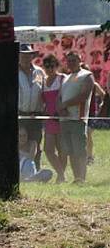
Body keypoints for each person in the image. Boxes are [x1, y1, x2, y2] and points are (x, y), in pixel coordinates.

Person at [57, 51, 94, 184]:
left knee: (79, 151)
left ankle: (82, 178)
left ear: (80, 60)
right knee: (70, 151)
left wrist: (65, 104)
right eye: (69, 60)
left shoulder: (87, 76)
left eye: (74, 60)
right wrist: (60, 109)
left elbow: (84, 95)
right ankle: (76, 178)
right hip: (65, 120)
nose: (71, 63)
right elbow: (59, 97)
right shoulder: (66, 77)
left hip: (78, 118)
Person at [18, 43, 45, 169]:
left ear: (32, 56)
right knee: (19, 143)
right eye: (23, 55)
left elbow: (43, 91)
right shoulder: (13, 72)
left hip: (36, 115)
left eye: (28, 55)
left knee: (36, 143)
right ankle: (19, 170)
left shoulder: (39, 72)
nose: (25, 58)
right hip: (19, 114)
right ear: (18, 56)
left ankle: (36, 169)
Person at [40, 54, 66, 183]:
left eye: (52, 65)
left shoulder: (62, 79)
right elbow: (44, 102)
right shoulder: (43, 81)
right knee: (48, 150)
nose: (49, 68)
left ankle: (61, 177)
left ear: (57, 66)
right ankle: (61, 174)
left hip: (61, 118)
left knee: (62, 150)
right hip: (50, 119)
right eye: (47, 66)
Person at [86, 71, 106, 165]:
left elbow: (103, 95)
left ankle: (90, 157)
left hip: (91, 113)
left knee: (88, 134)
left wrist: (102, 105)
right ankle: (84, 156)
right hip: (80, 113)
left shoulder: (94, 85)